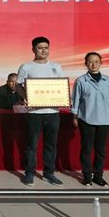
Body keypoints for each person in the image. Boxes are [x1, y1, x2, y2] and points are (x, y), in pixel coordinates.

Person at [16, 36, 64, 186]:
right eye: (40, 48)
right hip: (34, 113)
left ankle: (49, 174)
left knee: (51, 145)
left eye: (46, 48)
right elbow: (18, 85)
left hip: (53, 112)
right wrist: (26, 97)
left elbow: (61, 86)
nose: (43, 50)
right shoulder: (26, 67)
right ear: (33, 49)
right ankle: (29, 173)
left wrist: (63, 99)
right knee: (31, 145)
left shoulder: (56, 66)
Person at [71, 52, 109, 187]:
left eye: (97, 61)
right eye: (90, 61)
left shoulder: (108, 80)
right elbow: (76, 100)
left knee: (101, 150)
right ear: (86, 64)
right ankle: (87, 176)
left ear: (101, 63)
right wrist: (75, 116)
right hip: (86, 119)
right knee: (86, 149)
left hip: (104, 119)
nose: (93, 64)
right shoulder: (81, 80)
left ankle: (98, 176)